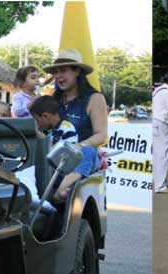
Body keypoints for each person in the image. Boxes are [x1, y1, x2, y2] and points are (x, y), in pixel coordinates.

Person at [42, 50, 109, 194]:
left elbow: (101, 135)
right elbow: (42, 130)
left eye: (63, 71)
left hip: (81, 158)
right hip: (54, 157)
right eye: (55, 72)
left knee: (87, 151)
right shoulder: (52, 99)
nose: (58, 76)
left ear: (77, 71)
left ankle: (63, 188)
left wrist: (76, 147)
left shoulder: (95, 98)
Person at [29, 95, 101, 201]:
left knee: (87, 152)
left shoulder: (66, 127)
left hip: (67, 167)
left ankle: (60, 190)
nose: (36, 124)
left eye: (36, 120)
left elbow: (68, 152)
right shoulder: (50, 131)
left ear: (45, 116)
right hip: (54, 172)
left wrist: (43, 140)